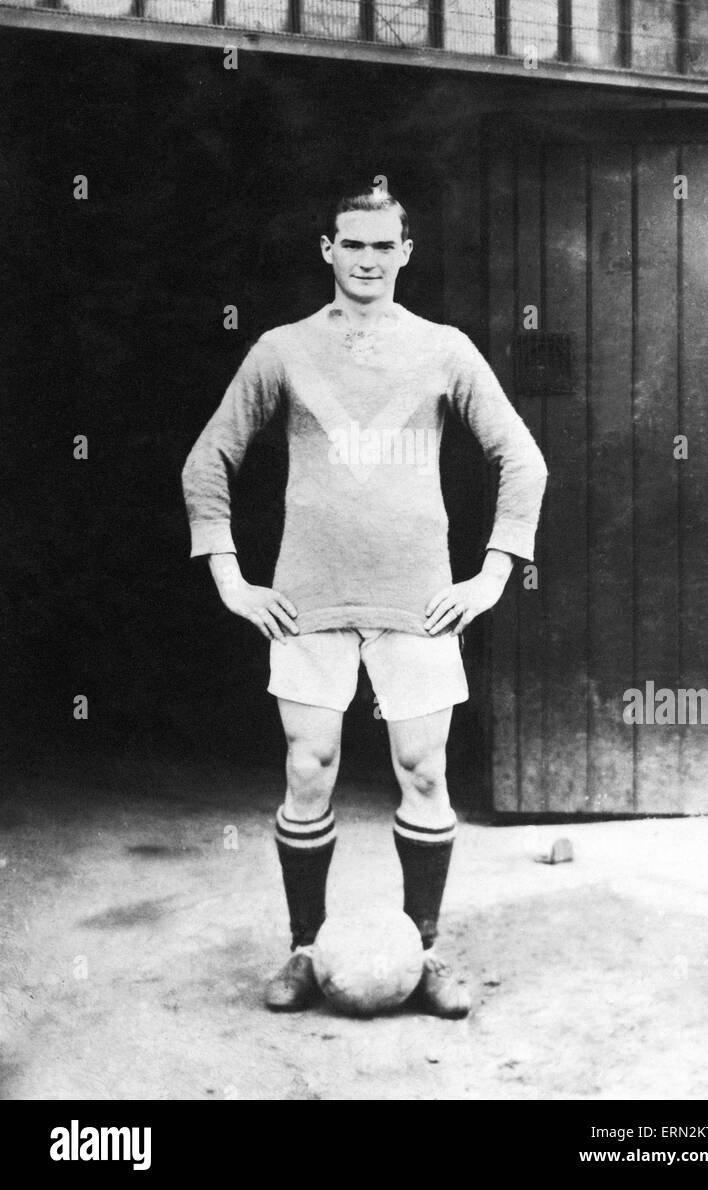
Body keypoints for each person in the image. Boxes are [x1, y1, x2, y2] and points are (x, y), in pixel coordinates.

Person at [182, 185, 547, 1018]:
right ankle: (306, 949)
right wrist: (231, 577)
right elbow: (207, 463)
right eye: (353, 245)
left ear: (406, 253)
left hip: (417, 602)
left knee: (423, 772)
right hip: (309, 601)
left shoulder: (444, 349)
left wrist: (491, 573)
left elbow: (523, 460)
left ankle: (426, 949)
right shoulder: (280, 349)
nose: (369, 261)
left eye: (384, 247)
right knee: (308, 773)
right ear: (327, 249)